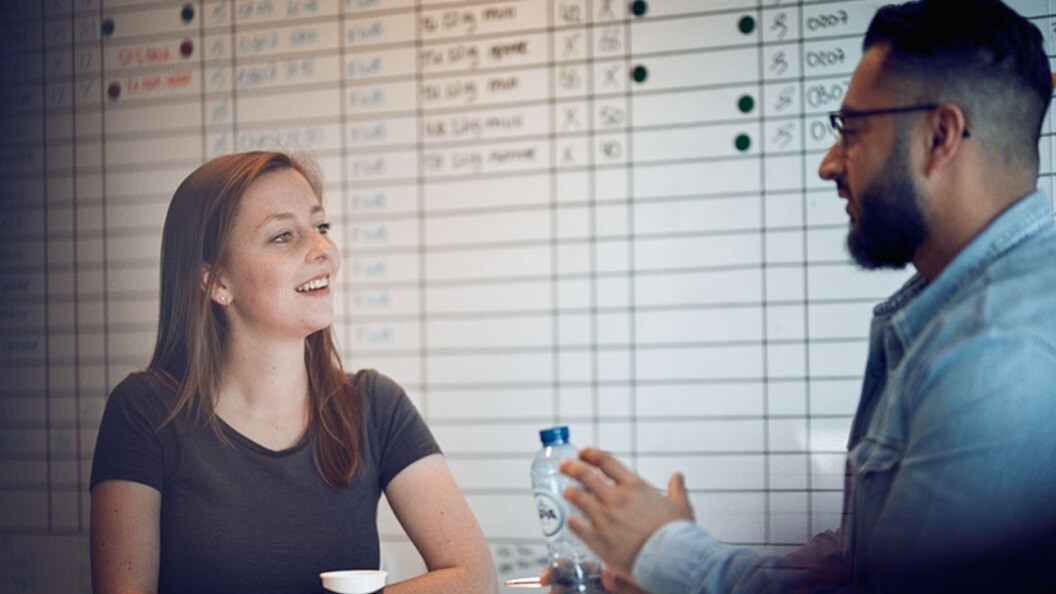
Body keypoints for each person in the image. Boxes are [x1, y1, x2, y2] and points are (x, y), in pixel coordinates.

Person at [553, 0, 1056, 592]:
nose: (828, 164)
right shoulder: (957, 319)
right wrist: (663, 564)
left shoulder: (997, 349)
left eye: (852, 131)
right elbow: (862, 563)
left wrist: (663, 551)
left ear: (939, 136)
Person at [89, 151, 497, 594]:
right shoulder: (145, 412)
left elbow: (474, 577)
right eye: (283, 236)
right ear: (217, 282)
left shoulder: (377, 406)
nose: (324, 251)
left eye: (322, 227)